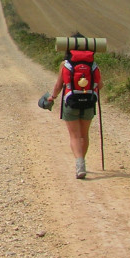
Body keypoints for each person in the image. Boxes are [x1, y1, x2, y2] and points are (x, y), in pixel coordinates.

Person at [47, 33, 102, 179]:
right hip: (89, 102)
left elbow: (59, 85)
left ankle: (80, 165)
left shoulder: (65, 65)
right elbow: (100, 85)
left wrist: (52, 97)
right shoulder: (93, 64)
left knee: (75, 136)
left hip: (71, 103)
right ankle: (82, 163)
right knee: (84, 135)